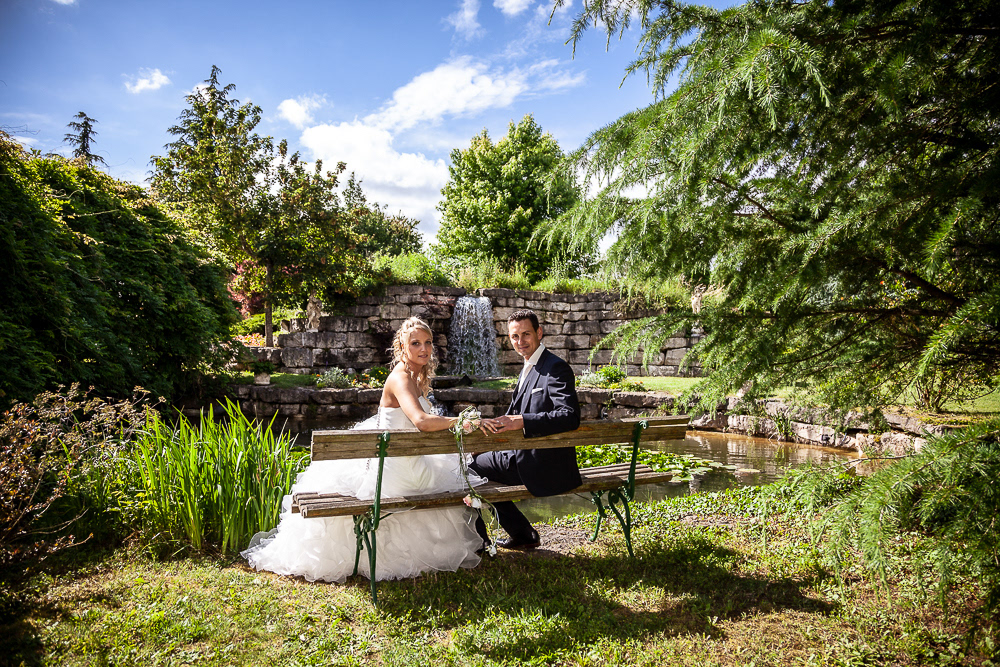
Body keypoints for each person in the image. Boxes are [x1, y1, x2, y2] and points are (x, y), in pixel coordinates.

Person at [242, 316, 485, 582]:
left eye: (427, 343)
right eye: (415, 343)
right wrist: (463, 420)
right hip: (398, 469)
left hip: (403, 461)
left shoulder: (415, 377)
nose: (423, 348)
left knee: (443, 474)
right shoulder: (401, 378)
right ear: (402, 347)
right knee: (445, 477)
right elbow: (422, 422)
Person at [472, 309, 581, 550]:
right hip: (526, 455)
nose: (520, 341)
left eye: (526, 334)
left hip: (543, 463)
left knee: (469, 471)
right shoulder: (529, 366)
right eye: (514, 337)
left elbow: (569, 416)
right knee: (475, 463)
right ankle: (522, 535)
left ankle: (478, 543)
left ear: (539, 333)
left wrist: (523, 420)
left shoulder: (555, 368)